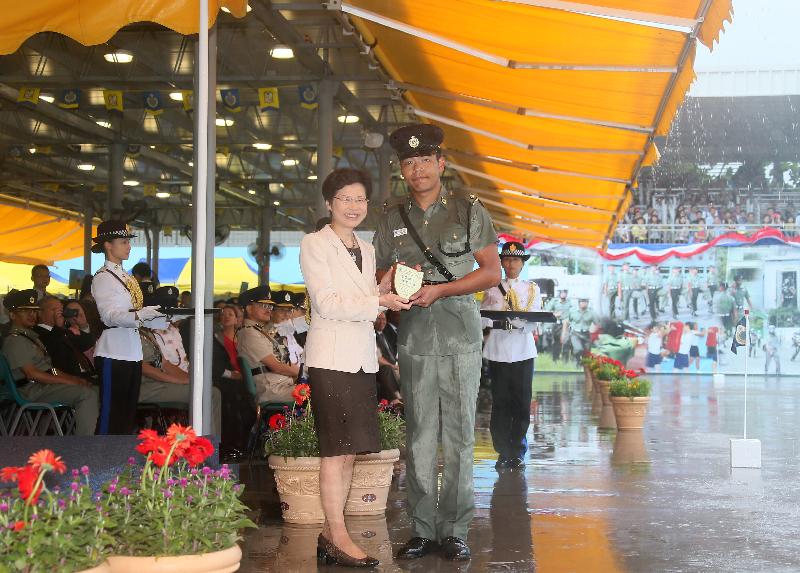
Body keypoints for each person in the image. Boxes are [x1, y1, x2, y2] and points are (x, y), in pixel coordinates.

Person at [373, 124, 501, 562]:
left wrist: (441, 290)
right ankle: (423, 529)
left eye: (425, 161)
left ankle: (455, 528)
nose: (417, 169)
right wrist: (390, 285)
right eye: (409, 163)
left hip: (461, 333)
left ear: (441, 165)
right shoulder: (391, 217)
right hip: (412, 337)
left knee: (461, 435)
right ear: (402, 171)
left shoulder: (468, 210)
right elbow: (379, 275)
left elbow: (491, 272)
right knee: (421, 433)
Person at [301, 167, 411, 568]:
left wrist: (386, 289)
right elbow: (328, 303)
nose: (353, 206)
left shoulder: (365, 248)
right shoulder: (314, 244)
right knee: (335, 450)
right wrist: (380, 303)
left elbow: (361, 296)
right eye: (345, 198)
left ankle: (332, 533)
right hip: (331, 358)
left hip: (361, 358)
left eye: (360, 199)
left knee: (349, 452)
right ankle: (337, 532)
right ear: (329, 203)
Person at [91, 220, 166, 434]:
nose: (129, 246)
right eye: (123, 241)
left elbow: (135, 314)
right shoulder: (104, 277)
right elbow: (109, 316)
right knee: (110, 415)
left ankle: (121, 463)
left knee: (126, 414)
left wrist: (160, 318)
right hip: (113, 351)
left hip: (132, 350)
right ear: (108, 245)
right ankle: (99, 462)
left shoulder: (127, 277)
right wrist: (142, 314)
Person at [1, 289, 98, 435]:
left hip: (41, 385)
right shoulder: (15, 340)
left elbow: (50, 369)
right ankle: (85, 445)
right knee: (87, 394)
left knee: (93, 389)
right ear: (12, 315)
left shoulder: (31, 337)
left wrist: (74, 379)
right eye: (25, 311)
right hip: (31, 390)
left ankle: (96, 436)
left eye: (33, 311)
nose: (31, 315)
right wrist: (70, 382)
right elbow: (32, 374)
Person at [480, 241, 541, 470]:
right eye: (506, 259)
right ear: (501, 262)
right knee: (501, 404)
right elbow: (482, 318)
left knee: (521, 404)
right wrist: (496, 319)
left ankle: (517, 451)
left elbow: (535, 319)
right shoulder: (491, 287)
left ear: (522, 263)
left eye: (515, 259)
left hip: (523, 351)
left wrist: (519, 322)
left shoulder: (531, 288)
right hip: (498, 350)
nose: (510, 263)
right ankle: (503, 451)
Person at [235, 286, 296, 403]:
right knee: (320, 393)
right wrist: (304, 374)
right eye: (264, 306)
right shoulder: (249, 333)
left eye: (270, 306)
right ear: (249, 308)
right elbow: (277, 366)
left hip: (282, 385)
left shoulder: (260, 331)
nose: (269, 310)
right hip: (273, 390)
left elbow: (284, 361)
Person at [212, 304, 255, 460]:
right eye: (224, 314)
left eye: (231, 314)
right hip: (227, 379)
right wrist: (232, 375)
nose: (226, 316)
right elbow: (216, 364)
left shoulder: (243, 337)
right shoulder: (216, 338)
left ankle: (244, 444)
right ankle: (231, 445)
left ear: (238, 319)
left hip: (245, 378)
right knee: (234, 400)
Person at [34, 295, 96, 381]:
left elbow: (88, 344)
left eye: (61, 310)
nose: (59, 313)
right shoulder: (37, 333)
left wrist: (83, 325)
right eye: (54, 309)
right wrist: (58, 327)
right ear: (40, 313)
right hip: (67, 378)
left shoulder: (66, 331)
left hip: (87, 373)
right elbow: (51, 351)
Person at [563, 298, 597, 365]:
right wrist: (564, 333)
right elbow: (566, 322)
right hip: (575, 333)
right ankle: (576, 360)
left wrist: (593, 330)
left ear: (588, 303)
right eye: (582, 301)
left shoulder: (592, 312)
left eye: (585, 302)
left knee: (587, 353)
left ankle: (583, 366)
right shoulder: (573, 311)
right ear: (579, 303)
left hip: (586, 334)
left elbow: (597, 324)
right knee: (578, 349)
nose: (584, 303)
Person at [545, 289, 571, 362]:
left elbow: (573, 311)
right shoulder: (554, 301)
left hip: (566, 324)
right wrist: (555, 314)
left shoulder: (570, 302)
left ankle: (565, 361)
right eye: (562, 292)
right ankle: (555, 359)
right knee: (556, 342)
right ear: (560, 293)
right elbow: (547, 310)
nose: (564, 294)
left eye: (565, 292)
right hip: (556, 324)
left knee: (566, 341)